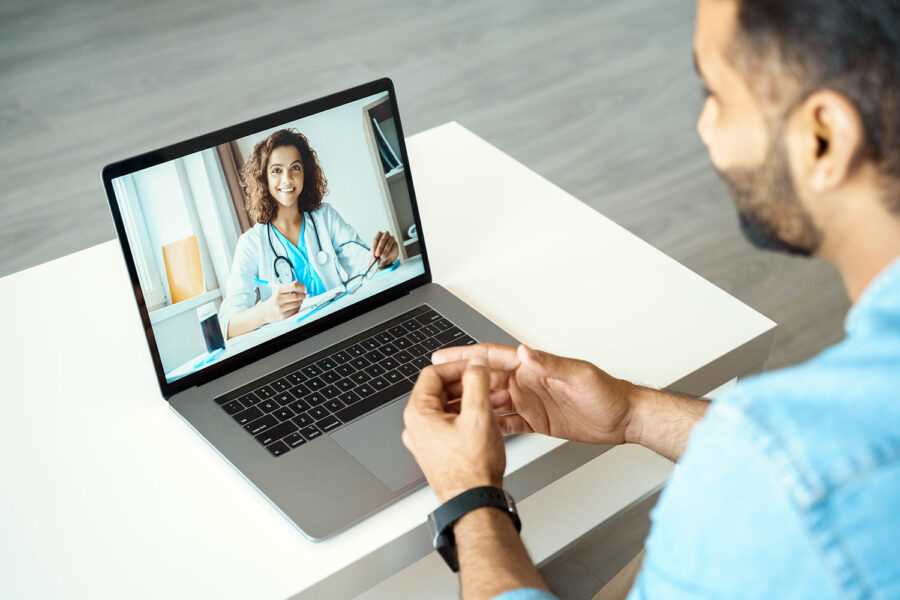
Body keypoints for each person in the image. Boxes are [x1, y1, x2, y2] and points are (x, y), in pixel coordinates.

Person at [401, 1, 900, 598]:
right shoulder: (806, 448)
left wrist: (470, 498)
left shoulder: (774, 488)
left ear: (824, 138)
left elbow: (794, 473)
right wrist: (634, 413)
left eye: (715, 93)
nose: (704, 126)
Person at [219, 129, 399, 339]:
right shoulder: (251, 243)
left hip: (342, 328)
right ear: (263, 178)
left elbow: (363, 263)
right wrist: (267, 311)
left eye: (295, 167)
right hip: (294, 345)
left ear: (306, 172)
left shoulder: (325, 217)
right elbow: (228, 325)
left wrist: (384, 257)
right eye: (276, 170)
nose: (287, 179)